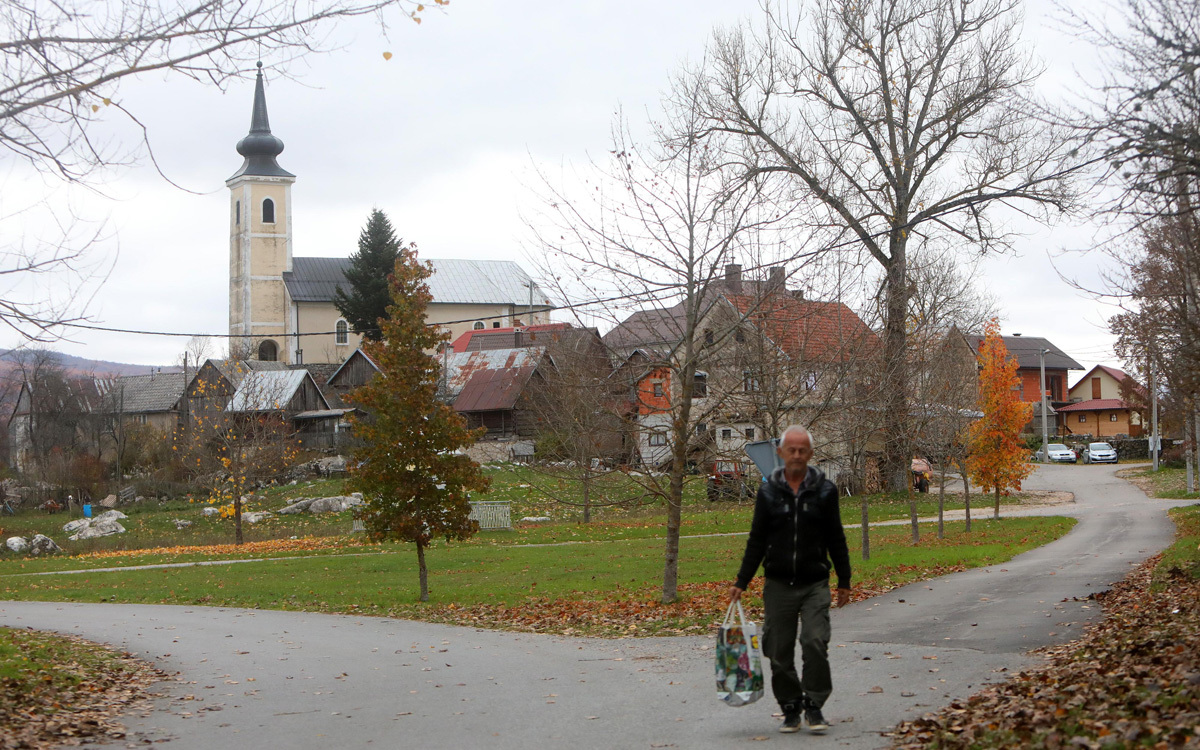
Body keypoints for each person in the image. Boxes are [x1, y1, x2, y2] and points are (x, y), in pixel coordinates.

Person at [728, 425, 851, 734]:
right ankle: (791, 707)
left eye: (802, 450)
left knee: (814, 641)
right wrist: (741, 581)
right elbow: (757, 539)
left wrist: (844, 580)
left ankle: (815, 705)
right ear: (781, 453)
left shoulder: (825, 491)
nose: (796, 455)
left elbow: (836, 538)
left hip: (814, 584)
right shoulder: (769, 492)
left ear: (810, 454)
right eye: (791, 450)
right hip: (779, 585)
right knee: (778, 651)